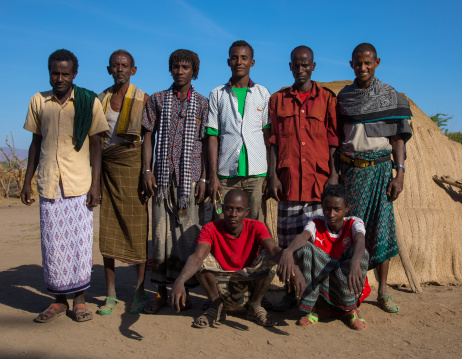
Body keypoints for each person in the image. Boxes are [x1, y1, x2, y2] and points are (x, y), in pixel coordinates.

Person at [21, 49, 108, 323]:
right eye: (55, 73)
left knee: (79, 244)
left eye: (65, 73)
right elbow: (36, 143)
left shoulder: (87, 101)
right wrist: (27, 181)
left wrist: (96, 185)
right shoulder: (39, 101)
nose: (60, 78)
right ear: (49, 72)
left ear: (75, 74)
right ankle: (58, 301)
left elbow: (96, 144)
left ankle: (80, 301)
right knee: (53, 245)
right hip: (49, 184)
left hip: (79, 184)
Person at [337, 43, 412, 313]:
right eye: (358, 63)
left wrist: (399, 174)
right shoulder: (344, 98)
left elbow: (398, 140)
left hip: (381, 171)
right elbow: (337, 138)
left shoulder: (391, 96)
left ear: (377, 62)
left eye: (368, 62)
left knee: (382, 229)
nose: (363, 67)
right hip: (352, 172)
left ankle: (382, 292)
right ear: (351, 64)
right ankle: (353, 287)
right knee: (353, 231)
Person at [269, 45, 339, 311]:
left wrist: (333, 173)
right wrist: (273, 175)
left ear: (313, 66)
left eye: (305, 65)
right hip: (288, 184)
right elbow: (274, 141)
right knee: (288, 243)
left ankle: (318, 293)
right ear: (290, 67)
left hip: (318, 184)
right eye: (296, 65)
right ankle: (290, 291)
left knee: (317, 245)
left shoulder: (327, 99)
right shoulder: (278, 100)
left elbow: (334, 139)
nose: (301, 70)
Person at [170, 189, 305, 328]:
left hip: (249, 286)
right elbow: (197, 256)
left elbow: (273, 250)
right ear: (222, 209)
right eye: (229, 209)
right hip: (220, 290)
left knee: (270, 256)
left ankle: (255, 305)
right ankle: (217, 307)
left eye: (239, 210)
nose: (233, 215)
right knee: (202, 258)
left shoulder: (256, 226)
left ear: (246, 212)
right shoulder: (210, 228)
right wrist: (180, 280)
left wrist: (294, 267)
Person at [141, 49, 209, 314]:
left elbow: (206, 143)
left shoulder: (202, 104)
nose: (180, 71)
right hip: (162, 179)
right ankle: (159, 292)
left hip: (190, 180)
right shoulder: (158, 99)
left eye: (185, 67)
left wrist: (204, 176)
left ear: (194, 71)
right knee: (160, 238)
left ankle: (185, 292)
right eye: (176, 67)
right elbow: (148, 135)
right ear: (170, 69)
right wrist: (147, 170)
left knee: (187, 238)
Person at [96, 50, 150, 315]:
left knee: (138, 231)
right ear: (109, 69)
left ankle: (139, 293)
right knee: (107, 230)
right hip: (107, 170)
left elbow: (149, 140)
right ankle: (111, 294)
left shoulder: (144, 100)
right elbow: (94, 140)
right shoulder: (100, 100)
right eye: (115, 65)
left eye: (124, 65)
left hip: (134, 170)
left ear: (133, 70)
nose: (120, 69)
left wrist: (146, 172)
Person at [277, 184, 371, 330]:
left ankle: (351, 309)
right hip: (324, 277)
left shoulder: (354, 222)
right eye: (327, 209)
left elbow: (360, 240)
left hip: (344, 279)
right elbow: (303, 237)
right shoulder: (316, 222)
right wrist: (287, 251)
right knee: (304, 249)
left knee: (362, 253)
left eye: (337, 210)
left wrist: (355, 261)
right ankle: (320, 308)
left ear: (346, 209)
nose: (331, 214)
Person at [206, 40, 270, 222]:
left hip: (256, 175)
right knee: (222, 221)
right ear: (228, 62)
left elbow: (267, 137)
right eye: (234, 58)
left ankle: (258, 253)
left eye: (244, 58)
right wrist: (213, 176)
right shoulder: (217, 94)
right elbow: (212, 137)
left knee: (256, 223)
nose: (239, 62)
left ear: (252, 62)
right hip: (225, 175)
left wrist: (269, 175)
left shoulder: (263, 94)